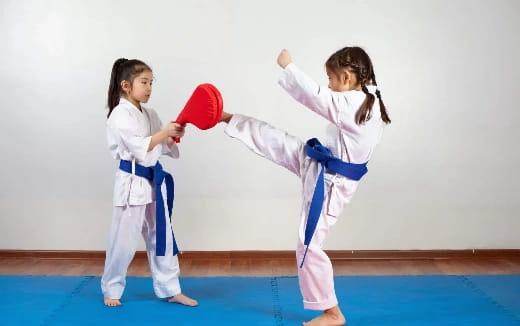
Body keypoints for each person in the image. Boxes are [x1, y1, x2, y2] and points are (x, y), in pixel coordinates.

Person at [220, 47, 391, 325]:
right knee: (281, 141)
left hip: (332, 184)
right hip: (322, 165)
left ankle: (332, 313)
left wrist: (289, 67)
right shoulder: (363, 99)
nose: (329, 84)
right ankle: (230, 118)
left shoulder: (356, 104)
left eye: (331, 78)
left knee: (308, 244)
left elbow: (317, 98)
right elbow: (326, 98)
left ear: (347, 77)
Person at [101, 58, 198, 307]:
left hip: (154, 182)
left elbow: (161, 145)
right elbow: (139, 146)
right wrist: (164, 133)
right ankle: (112, 288)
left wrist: (173, 135)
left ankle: (170, 288)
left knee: (161, 236)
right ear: (125, 85)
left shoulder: (150, 114)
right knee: (123, 241)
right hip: (131, 182)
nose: (149, 88)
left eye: (151, 83)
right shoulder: (119, 114)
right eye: (144, 82)